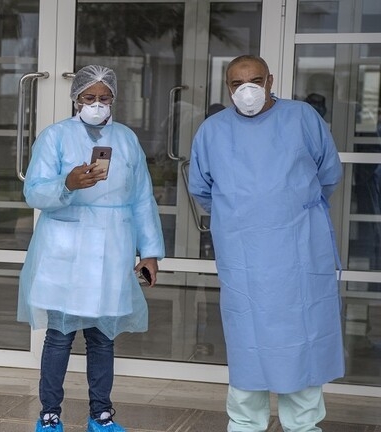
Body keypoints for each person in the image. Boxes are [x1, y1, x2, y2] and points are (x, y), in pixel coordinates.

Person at [188, 55, 344, 432]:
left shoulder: (302, 118)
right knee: (248, 342)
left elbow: (328, 174)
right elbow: (201, 188)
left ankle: (303, 426)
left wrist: (290, 207)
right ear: (227, 87)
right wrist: (240, 216)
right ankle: (245, 424)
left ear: (270, 81)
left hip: (299, 247)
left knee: (301, 339)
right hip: (243, 254)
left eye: (255, 81)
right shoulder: (213, 131)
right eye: (237, 83)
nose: (247, 90)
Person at [18, 65, 165, 432]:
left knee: (102, 338)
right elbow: (33, 192)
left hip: (112, 249)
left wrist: (149, 252)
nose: (97, 104)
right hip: (65, 250)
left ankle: (101, 415)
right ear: (76, 99)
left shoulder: (127, 139)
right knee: (59, 337)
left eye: (104, 98)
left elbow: (142, 198)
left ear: (113, 99)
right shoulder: (55, 137)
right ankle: (49, 415)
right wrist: (67, 184)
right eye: (89, 97)